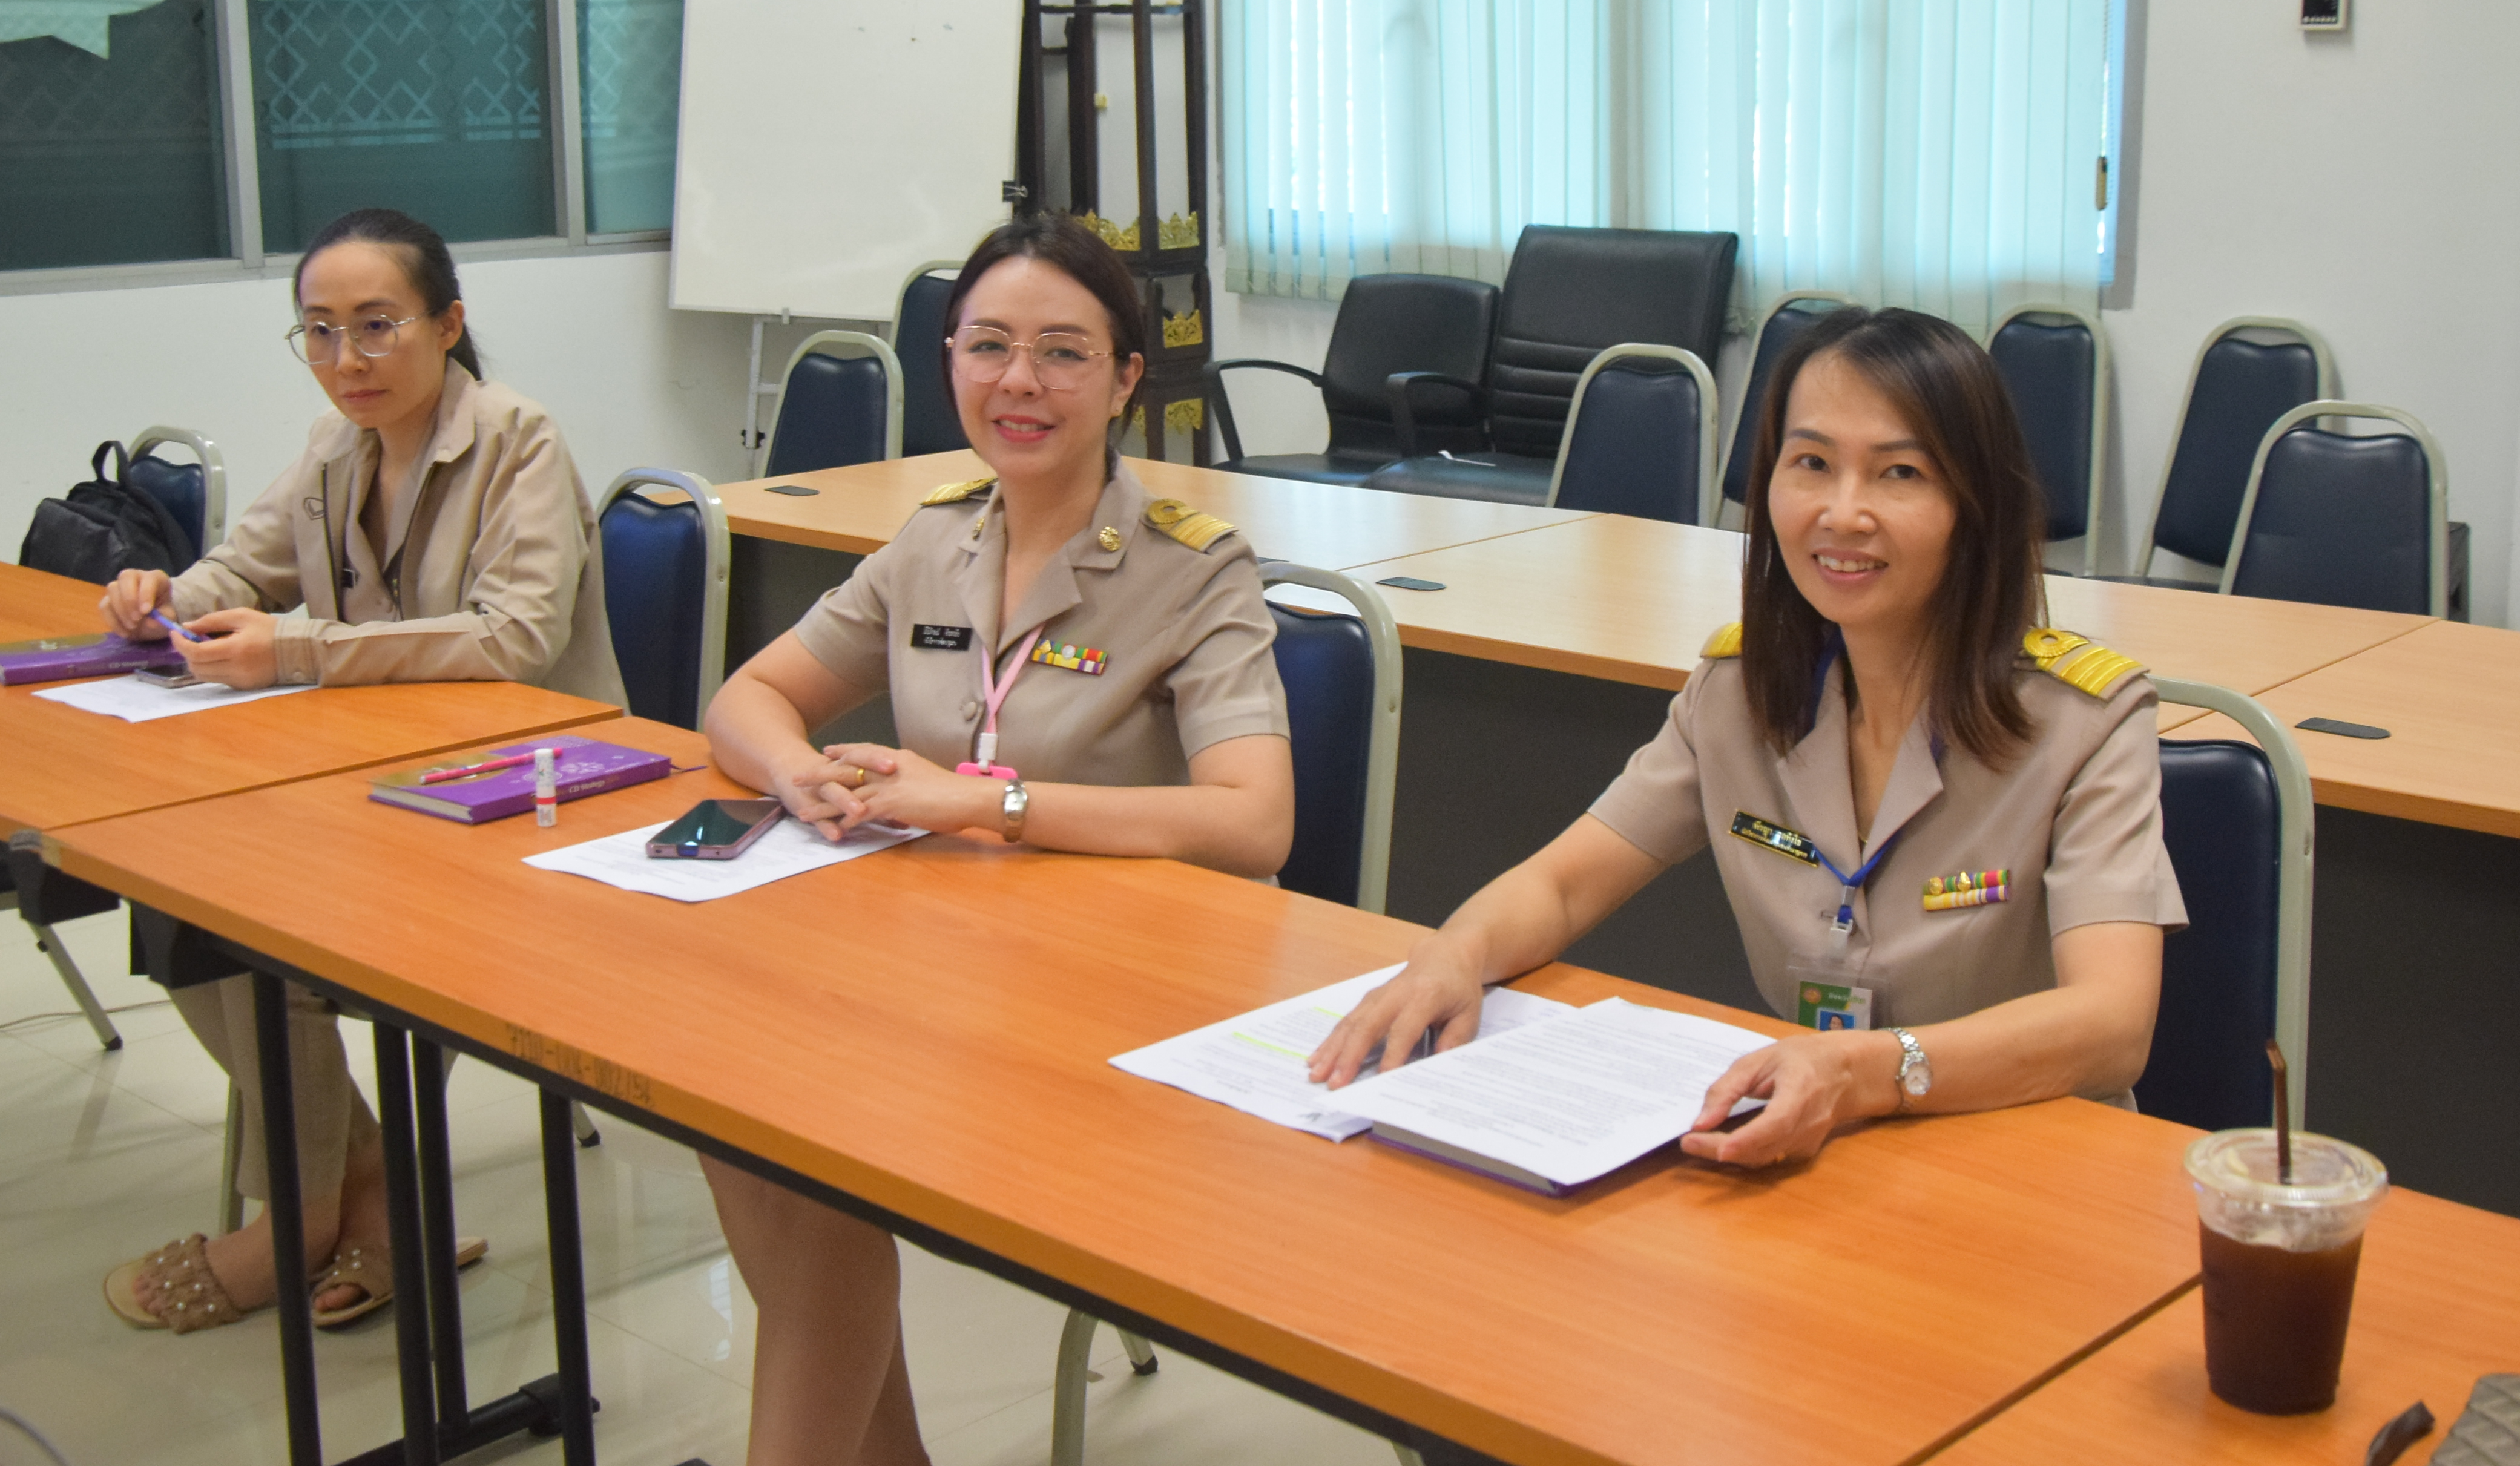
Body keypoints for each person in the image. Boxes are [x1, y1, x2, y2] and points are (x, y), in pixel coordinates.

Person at [1312, 305, 2185, 1168]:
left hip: (2032, 1159)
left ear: (1976, 504)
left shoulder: (2085, 722)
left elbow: (2112, 1027)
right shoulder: (1738, 695)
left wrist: (1868, 1073)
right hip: (1820, 1150)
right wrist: (1452, 956)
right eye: (1811, 464)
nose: (1843, 513)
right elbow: (1567, 884)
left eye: (1900, 474)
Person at [698, 213, 1294, 1466]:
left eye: (1063, 354)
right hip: (945, 974)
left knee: (800, 1142)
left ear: (1127, 379)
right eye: (987, 347)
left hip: (1116, 1006)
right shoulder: (937, 538)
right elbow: (742, 705)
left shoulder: (1196, 570)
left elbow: (1255, 822)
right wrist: (802, 769)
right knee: (737, 1105)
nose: (1018, 383)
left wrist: (984, 802)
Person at [98, 206, 625, 1335]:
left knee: (273, 929)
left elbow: (514, 638)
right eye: (321, 332)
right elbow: (248, 564)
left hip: (530, 790)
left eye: (377, 326)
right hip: (378, 777)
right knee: (173, 894)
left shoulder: (518, 437)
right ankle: (368, 1178)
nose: (348, 361)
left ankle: (297, 1212)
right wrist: (162, 597)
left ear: (448, 324)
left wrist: (294, 649)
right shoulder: (334, 446)